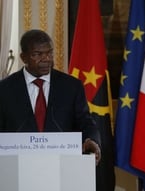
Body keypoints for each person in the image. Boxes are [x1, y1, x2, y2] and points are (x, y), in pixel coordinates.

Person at [0, 29, 101, 163]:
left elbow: (85, 122)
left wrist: (91, 140)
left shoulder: (71, 86)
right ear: (23, 57)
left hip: (62, 165)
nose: (46, 59)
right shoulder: (5, 89)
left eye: (49, 53)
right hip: (17, 167)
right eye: (38, 54)